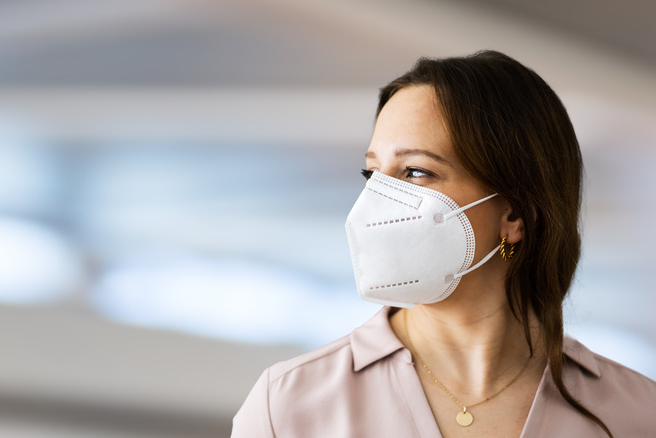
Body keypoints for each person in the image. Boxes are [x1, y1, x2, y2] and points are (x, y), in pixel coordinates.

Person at [230, 50, 656, 438]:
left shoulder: (638, 414)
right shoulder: (287, 405)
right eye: (372, 174)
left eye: (415, 172)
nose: (376, 201)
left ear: (514, 214)